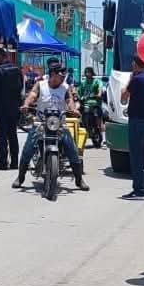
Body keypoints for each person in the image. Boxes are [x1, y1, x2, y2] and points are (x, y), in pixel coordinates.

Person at [12, 63, 89, 191]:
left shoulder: (65, 87)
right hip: (41, 122)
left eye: (64, 74)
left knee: (73, 150)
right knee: (28, 150)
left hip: (59, 124)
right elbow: (32, 95)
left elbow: (69, 100)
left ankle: (79, 180)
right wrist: (26, 104)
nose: (63, 76)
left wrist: (74, 109)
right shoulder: (40, 85)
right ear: (53, 74)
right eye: (60, 74)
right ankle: (20, 177)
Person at [120, 55, 144, 200]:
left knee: (136, 157)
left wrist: (129, 79)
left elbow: (123, 97)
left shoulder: (136, 79)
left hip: (136, 121)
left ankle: (138, 190)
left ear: (135, 64)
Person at [0, 46, 23, 170]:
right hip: (14, 107)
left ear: (0, 56)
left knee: (2, 135)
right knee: (13, 134)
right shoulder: (17, 69)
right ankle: (15, 162)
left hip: (1, 107)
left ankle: (3, 162)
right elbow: (20, 88)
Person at [77, 66, 103, 141]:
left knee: (99, 115)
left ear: (92, 73)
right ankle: (86, 130)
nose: (88, 74)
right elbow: (78, 92)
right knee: (81, 117)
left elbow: (100, 90)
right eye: (86, 72)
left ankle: (100, 132)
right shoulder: (83, 83)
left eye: (89, 72)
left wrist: (98, 94)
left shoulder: (97, 81)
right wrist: (79, 96)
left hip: (96, 104)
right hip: (86, 104)